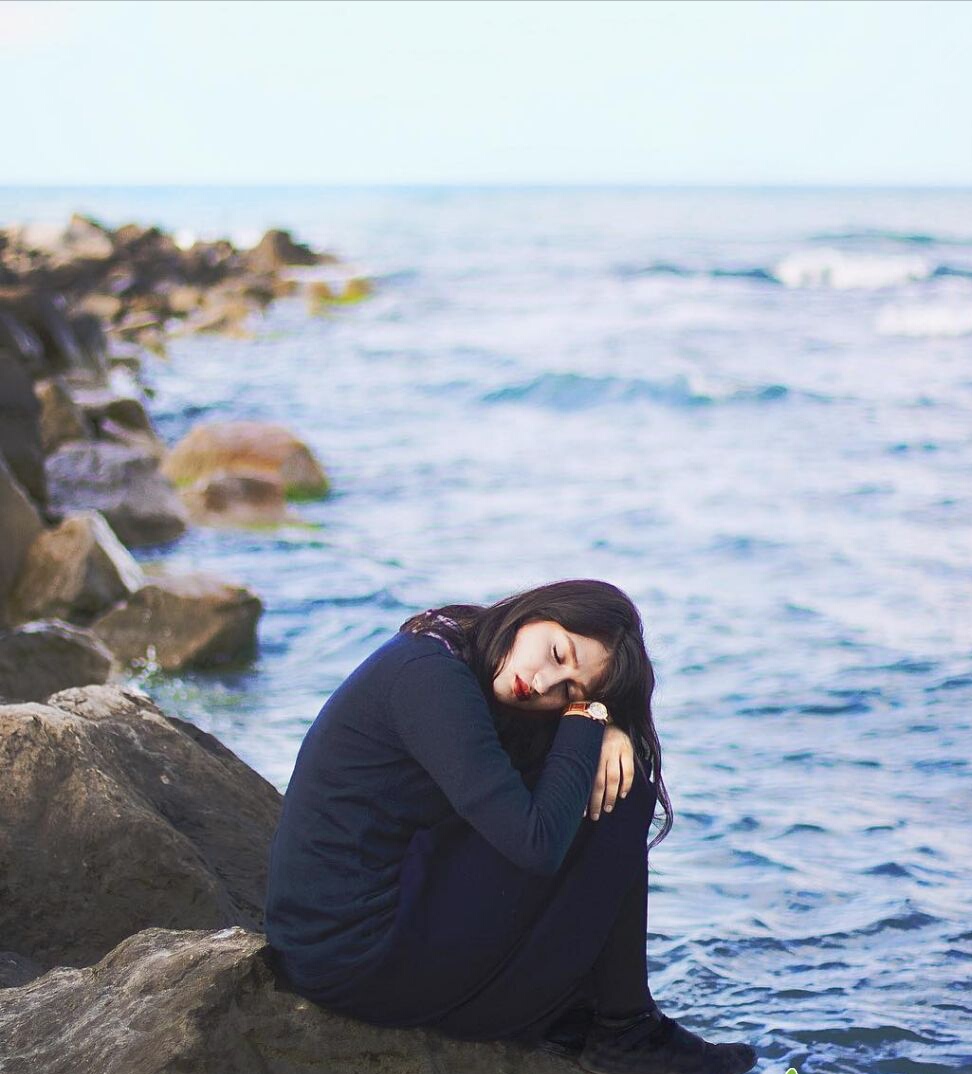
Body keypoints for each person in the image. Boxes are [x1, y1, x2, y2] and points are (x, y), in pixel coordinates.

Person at [264, 579, 757, 1074]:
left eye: (568, 690)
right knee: (620, 796)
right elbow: (534, 843)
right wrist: (588, 717)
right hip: (351, 956)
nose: (543, 684)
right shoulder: (429, 678)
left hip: (345, 934)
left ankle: (604, 1013)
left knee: (607, 773)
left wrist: (607, 727)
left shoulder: (457, 651)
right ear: (535, 612)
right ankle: (625, 1028)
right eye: (558, 654)